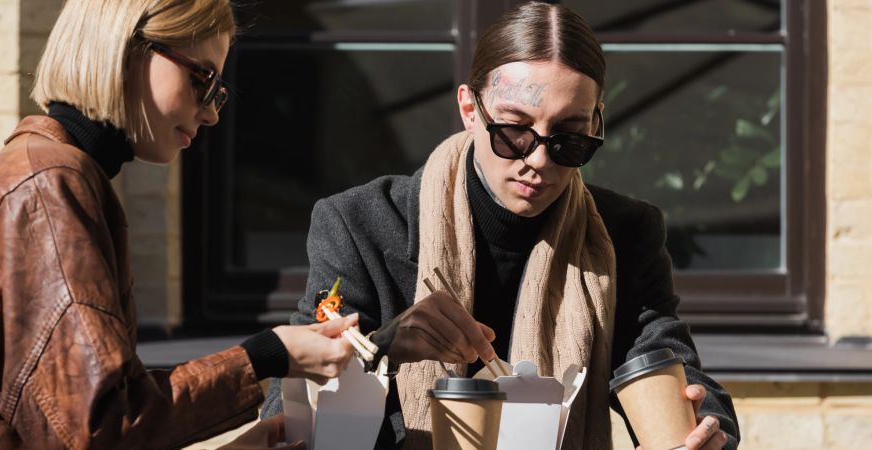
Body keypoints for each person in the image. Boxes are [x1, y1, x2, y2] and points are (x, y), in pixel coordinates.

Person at [262, 2, 739, 449]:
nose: (539, 161)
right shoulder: (360, 222)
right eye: (514, 131)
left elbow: (663, 359)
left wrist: (705, 425)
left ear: (596, 123)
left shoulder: (625, 231)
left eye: (569, 137)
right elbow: (295, 398)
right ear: (470, 109)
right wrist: (385, 346)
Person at [0, 1, 356, 448]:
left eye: (218, 92)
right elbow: (99, 427)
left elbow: (60, 419)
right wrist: (268, 355)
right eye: (202, 80)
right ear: (128, 50)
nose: (211, 112)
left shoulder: (48, 174)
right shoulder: (48, 185)